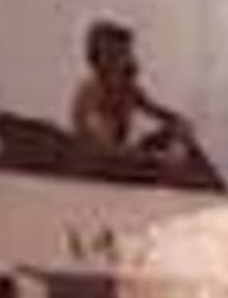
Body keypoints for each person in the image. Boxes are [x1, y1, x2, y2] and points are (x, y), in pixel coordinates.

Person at [68, 20, 219, 186]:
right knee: (168, 167)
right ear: (101, 58)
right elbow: (102, 147)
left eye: (126, 52)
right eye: (118, 53)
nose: (126, 58)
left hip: (126, 159)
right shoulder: (91, 94)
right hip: (103, 167)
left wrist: (179, 123)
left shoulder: (129, 89)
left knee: (177, 136)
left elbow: (158, 112)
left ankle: (216, 188)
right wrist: (153, 159)